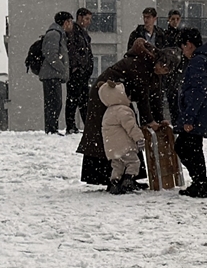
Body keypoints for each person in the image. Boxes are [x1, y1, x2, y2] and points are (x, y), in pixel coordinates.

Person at [76, 39, 178, 187]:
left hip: (119, 97)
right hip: (105, 95)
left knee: (128, 129)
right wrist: (150, 121)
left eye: (166, 70)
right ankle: (112, 177)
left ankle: (127, 177)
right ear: (158, 59)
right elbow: (143, 97)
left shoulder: (153, 70)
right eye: (162, 65)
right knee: (110, 135)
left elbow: (155, 97)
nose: (161, 70)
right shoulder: (141, 64)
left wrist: (159, 119)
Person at [173, 28, 207, 198]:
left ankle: (200, 184)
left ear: (189, 44)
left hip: (197, 115)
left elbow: (196, 92)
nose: (183, 52)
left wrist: (188, 118)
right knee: (194, 148)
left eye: (183, 47)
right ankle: (200, 184)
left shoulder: (197, 62)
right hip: (205, 113)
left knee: (184, 147)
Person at [99, 82, 145, 195]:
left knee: (117, 166)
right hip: (125, 146)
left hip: (111, 147)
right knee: (134, 163)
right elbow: (131, 127)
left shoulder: (108, 112)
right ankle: (128, 180)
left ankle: (115, 182)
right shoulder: (123, 111)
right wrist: (139, 138)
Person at [39, 11, 73, 134]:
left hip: (53, 74)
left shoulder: (58, 34)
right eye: (70, 22)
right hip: (51, 74)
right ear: (66, 22)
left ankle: (52, 128)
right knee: (53, 103)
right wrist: (62, 68)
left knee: (55, 103)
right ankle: (51, 129)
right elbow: (50, 54)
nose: (71, 25)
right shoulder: (54, 34)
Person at [64, 8, 94, 134]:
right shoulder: (74, 32)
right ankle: (71, 126)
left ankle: (86, 126)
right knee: (73, 99)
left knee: (83, 100)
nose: (88, 22)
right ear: (80, 18)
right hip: (77, 72)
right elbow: (72, 51)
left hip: (83, 72)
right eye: (86, 19)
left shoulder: (83, 33)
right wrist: (78, 67)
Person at [159, 10, 186, 121]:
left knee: (174, 100)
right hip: (166, 70)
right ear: (168, 20)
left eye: (177, 19)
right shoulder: (164, 35)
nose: (175, 22)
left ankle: (176, 123)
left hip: (176, 72)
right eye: (173, 19)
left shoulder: (182, 35)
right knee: (161, 98)